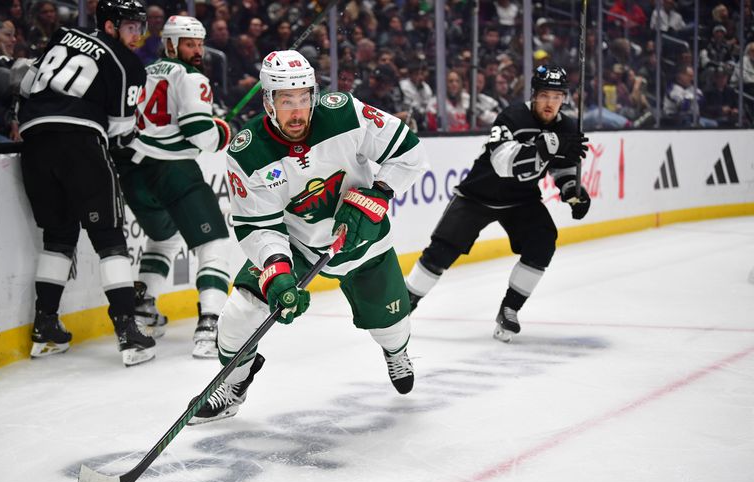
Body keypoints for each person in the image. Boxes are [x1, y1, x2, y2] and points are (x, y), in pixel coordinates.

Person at [187, 49, 430, 424]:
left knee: (393, 329)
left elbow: (410, 153)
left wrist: (379, 192)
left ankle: (395, 352)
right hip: (299, 247)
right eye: (287, 101)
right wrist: (277, 267)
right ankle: (233, 384)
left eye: (304, 98)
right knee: (239, 314)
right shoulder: (248, 151)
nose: (298, 111)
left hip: (366, 242)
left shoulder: (344, 113)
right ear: (268, 100)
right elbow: (257, 226)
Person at [405, 66, 589, 343]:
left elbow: (562, 167)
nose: (550, 103)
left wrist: (572, 189)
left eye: (556, 96)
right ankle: (402, 307)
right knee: (440, 252)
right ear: (534, 95)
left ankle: (510, 309)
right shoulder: (513, 116)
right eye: (544, 95)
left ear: (564, 98)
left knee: (543, 243)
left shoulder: (566, 127)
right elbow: (503, 164)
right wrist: (545, 145)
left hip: (521, 199)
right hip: (477, 195)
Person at [18, 0, 156, 365]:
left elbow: (27, 85)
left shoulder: (63, 36)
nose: (137, 35)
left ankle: (45, 327)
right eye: (130, 27)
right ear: (110, 26)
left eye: (140, 27)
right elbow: (120, 132)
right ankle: (128, 331)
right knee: (109, 237)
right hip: (80, 145)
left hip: (33, 144)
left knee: (58, 237)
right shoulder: (128, 65)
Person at [114, 15, 234, 359]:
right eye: (189, 43)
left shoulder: (142, 71)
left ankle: (143, 309)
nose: (197, 50)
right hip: (172, 169)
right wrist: (220, 133)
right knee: (213, 244)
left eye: (199, 43)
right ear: (170, 44)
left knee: (163, 238)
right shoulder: (192, 77)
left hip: (133, 171)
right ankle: (210, 325)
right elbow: (200, 132)